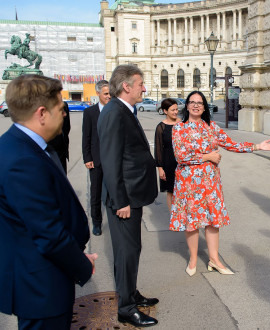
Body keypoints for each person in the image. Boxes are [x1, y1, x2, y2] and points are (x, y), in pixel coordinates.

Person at [0, 75, 97, 329]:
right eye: (60, 108)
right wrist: (82, 263)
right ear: (42, 113)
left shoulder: (25, 146)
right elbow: (47, 232)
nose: (64, 114)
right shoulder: (21, 159)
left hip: (44, 277)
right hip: (40, 285)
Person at [170, 91, 270, 277]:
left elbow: (230, 144)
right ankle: (193, 259)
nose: (196, 105)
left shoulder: (212, 127)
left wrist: (256, 146)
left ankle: (214, 259)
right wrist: (207, 156)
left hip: (210, 183)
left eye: (200, 102)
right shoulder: (179, 128)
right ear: (186, 106)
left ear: (204, 107)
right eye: (192, 102)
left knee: (213, 221)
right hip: (188, 184)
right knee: (192, 222)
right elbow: (180, 156)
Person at [97, 65, 159, 327]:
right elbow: (110, 162)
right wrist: (120, 200)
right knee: (125, 253)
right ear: (127, 86)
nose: (144, 88)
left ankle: (130, 293)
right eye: (141, 84)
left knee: (132, 250)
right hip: (125, 199)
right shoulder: (114, 112)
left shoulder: (123, 109)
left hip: (133, 194)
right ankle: (125, 308)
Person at [82, 80, 111, 236]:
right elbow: (86, 137)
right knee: (96, 193)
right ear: (98, 93)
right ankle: (97, 223)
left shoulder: (116, 110)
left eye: (110, 93)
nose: (109, 96)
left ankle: (115, 221)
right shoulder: (90, 113)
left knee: (114, 192)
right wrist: (87, 158)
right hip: (96, 160)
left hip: (113, 160)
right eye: (106, 93)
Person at [155, 98, 181, 210]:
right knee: (170, 191)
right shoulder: (161, 127)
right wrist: (160, 168)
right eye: (172, 110)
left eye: (176, 109)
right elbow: (158, 148)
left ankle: (183, 216)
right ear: (165, 111)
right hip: (168, 162)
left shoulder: (183, 124)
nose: (175, 112)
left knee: (183, 190)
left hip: (182, 161)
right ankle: (173, 218)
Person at [48, 100, 70, 173]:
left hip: (62, 151)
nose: (64, 114)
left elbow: (67, 126)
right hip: (48, 148)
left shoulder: (64, 105)